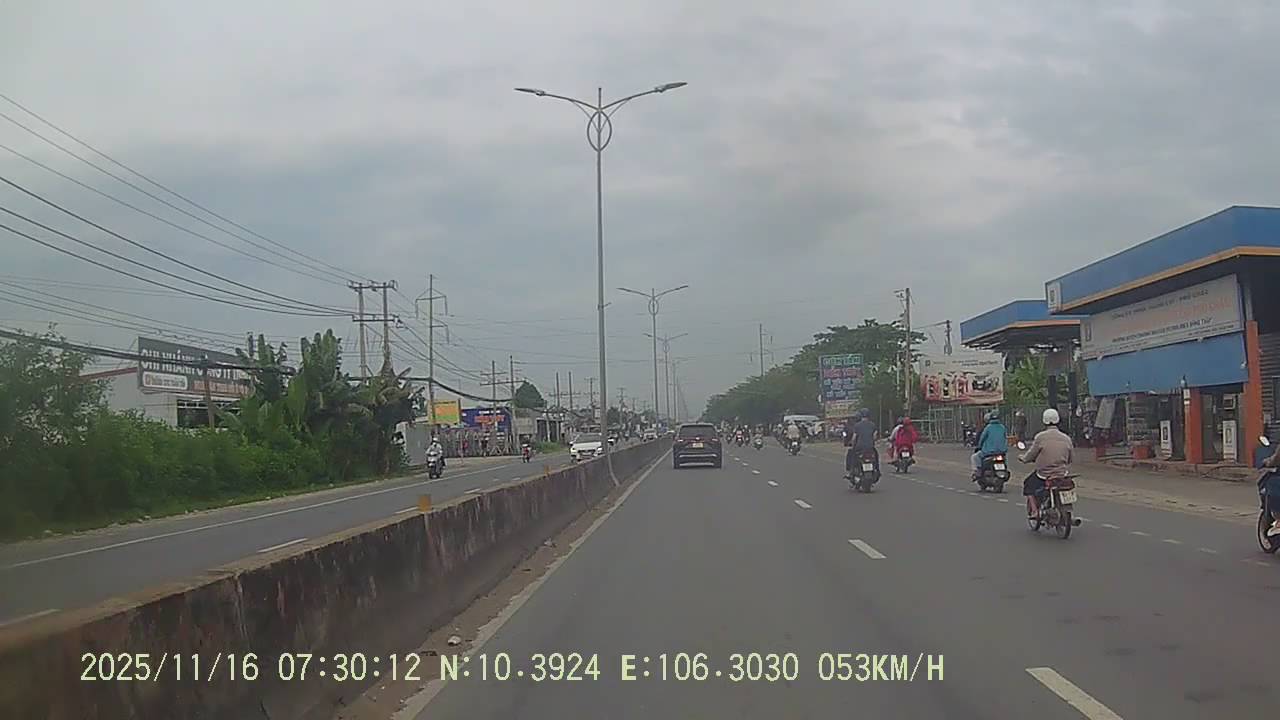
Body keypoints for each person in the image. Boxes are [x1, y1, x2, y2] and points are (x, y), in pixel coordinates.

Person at [1019, 408, 1074, 518]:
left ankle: (1035, 512)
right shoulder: (1066, 438)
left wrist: (1023, 458)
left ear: (1044, 420)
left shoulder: (1040, 437)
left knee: (1028, 484)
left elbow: (1031, 454)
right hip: (1061, 474)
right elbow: (1070, 459)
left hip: (1044, 475)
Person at [971, 411, 1008, 479]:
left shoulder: (988, 427)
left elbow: (982, 438)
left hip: (989, 452)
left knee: (974, 457)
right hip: (1001, 451)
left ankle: (978, 471)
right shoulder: (1003, 427)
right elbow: (1005, 438)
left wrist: (979, 446)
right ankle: (1005, 469)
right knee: (1005, 459)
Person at [844, 408, 878, 479]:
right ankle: (877, 469)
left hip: (859, 448)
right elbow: (874, 437)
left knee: (851, 455)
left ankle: (850, 472)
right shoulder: (873, 425)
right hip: (870, 448)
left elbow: (854, 438)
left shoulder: (857, 425)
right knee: (876, 457)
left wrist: (852, 444)